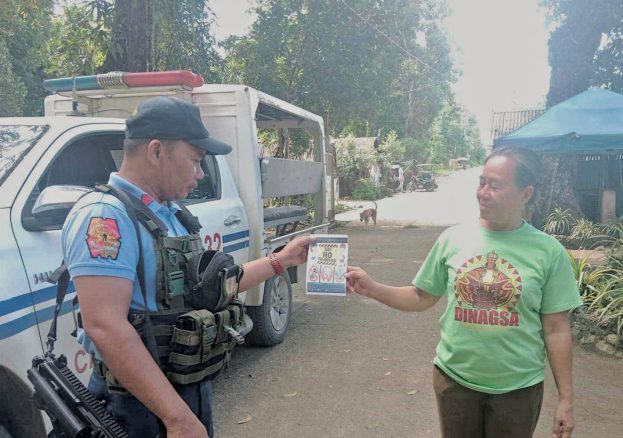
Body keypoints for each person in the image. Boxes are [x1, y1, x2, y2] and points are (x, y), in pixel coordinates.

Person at [62, 96, 312, 437]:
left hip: (183, 391)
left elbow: (215, 285)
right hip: (138, 405)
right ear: (156, 151)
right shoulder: (106, 217)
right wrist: (177, 418)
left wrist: (282, 260)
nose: (199, 174)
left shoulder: (172, 216)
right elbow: (104, 325)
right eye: (195, 161)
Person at [345, 146, 581, 438]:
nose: (483, 192)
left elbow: (556, 329)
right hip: (454, 382)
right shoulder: (453, 239)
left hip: (517, 390)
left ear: (526, 194)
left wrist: (566, 401)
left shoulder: (549, 252)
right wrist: (372, 288)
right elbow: (421, 297)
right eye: (482, 182)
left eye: (495, 186)